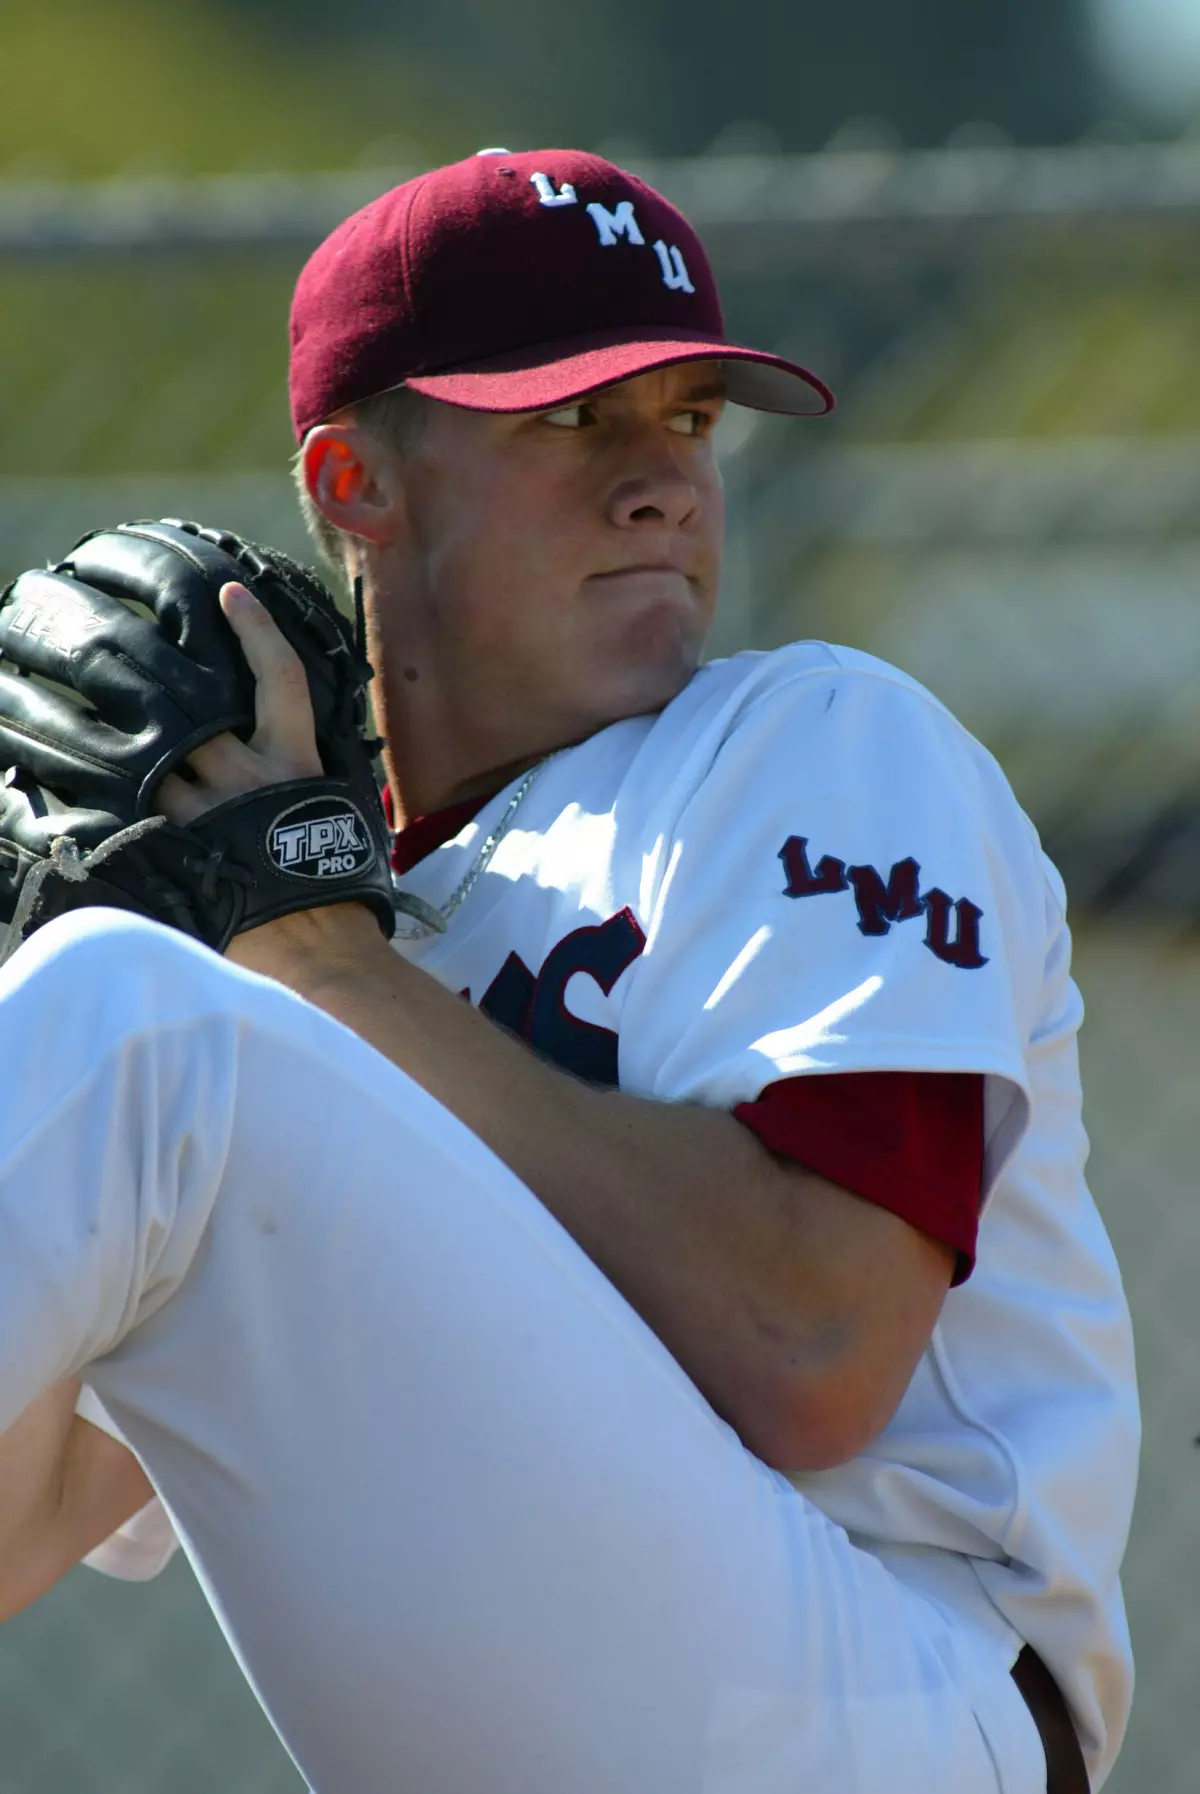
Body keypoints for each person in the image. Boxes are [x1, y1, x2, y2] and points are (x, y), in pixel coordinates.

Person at [0, 149, 1137, 1793]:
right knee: (108, 998)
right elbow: (32, 1521)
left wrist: (312, 959)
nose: (663, 480)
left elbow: (811, 1345)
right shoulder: (268, 943)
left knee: (129, 1015)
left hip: (899, 1707)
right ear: (352, 485)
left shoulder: (811, 737)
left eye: (687, 418)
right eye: (570, 416)